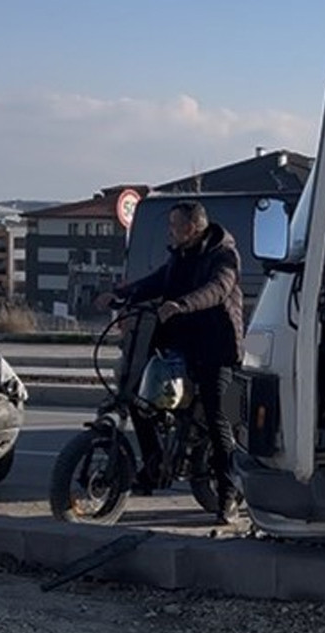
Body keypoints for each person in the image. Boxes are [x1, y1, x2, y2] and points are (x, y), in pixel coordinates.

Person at [97, 201, 244, 524]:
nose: (170, 232)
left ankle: (227, 496)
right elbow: (156, 281)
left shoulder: (224, 255)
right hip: (180, 343)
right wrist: (121, 295)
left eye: (175, 226)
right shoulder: (180, 255)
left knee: (217, 418)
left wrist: (182, 304)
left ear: (192, 228)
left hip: (215, 348)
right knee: (140, 399)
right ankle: (153, 467)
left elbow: (217, 290)